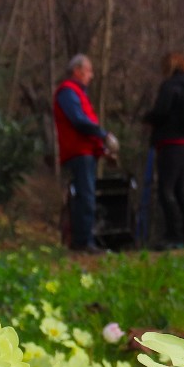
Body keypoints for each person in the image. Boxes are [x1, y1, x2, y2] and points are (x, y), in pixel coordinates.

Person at [53, 54, 118, 252]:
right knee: (85, 196)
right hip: (78, 153)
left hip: (87, 152)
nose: (92, 75)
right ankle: (83, 242)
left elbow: (86, 127)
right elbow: (80, 122)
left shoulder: (80, 95)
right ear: (77, 71)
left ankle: (83, 240)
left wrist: (102, 149)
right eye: (89, 70)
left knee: (87, 195)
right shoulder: (68, 93)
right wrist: (104, 134)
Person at [143, 52, 184, 248]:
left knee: (166, 190)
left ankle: (174, 236)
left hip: (169, 143)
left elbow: (161, 111)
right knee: (182, 190)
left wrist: (147, 117)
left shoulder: (170, 86)